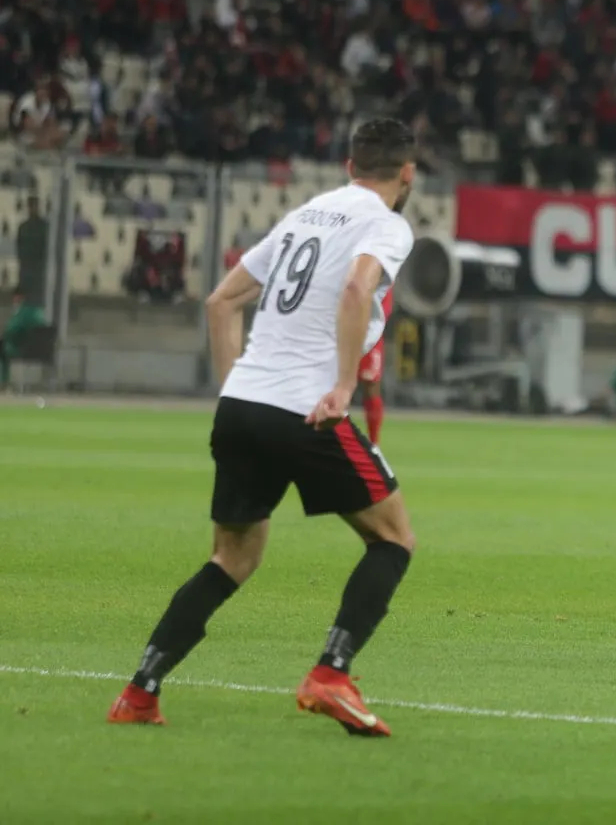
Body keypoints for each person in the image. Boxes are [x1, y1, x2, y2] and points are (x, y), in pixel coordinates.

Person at [107, 119, 419, 735]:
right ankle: (332, 672)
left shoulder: (307, 213)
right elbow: (359, 289)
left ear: (349, 166)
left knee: (231, 557)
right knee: (393, 538)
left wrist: (234, 388)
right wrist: (345, 385)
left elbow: (221, 300)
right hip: (307, 409)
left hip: (243, 403)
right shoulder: (386, 224)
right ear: (407, 174)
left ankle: (140, 691)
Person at [355, 288, 395, 442]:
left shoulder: (382, 267)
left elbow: (385, 304)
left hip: (370, 333)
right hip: (343, 328)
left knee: (371, 383)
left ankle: (374, 443)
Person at [2, 286, 49, 386]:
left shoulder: (22, 313)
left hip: (23, 349)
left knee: (2, 350)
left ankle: (3, 381)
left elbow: (11, 331)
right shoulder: (38, 313)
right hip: (41, 350)